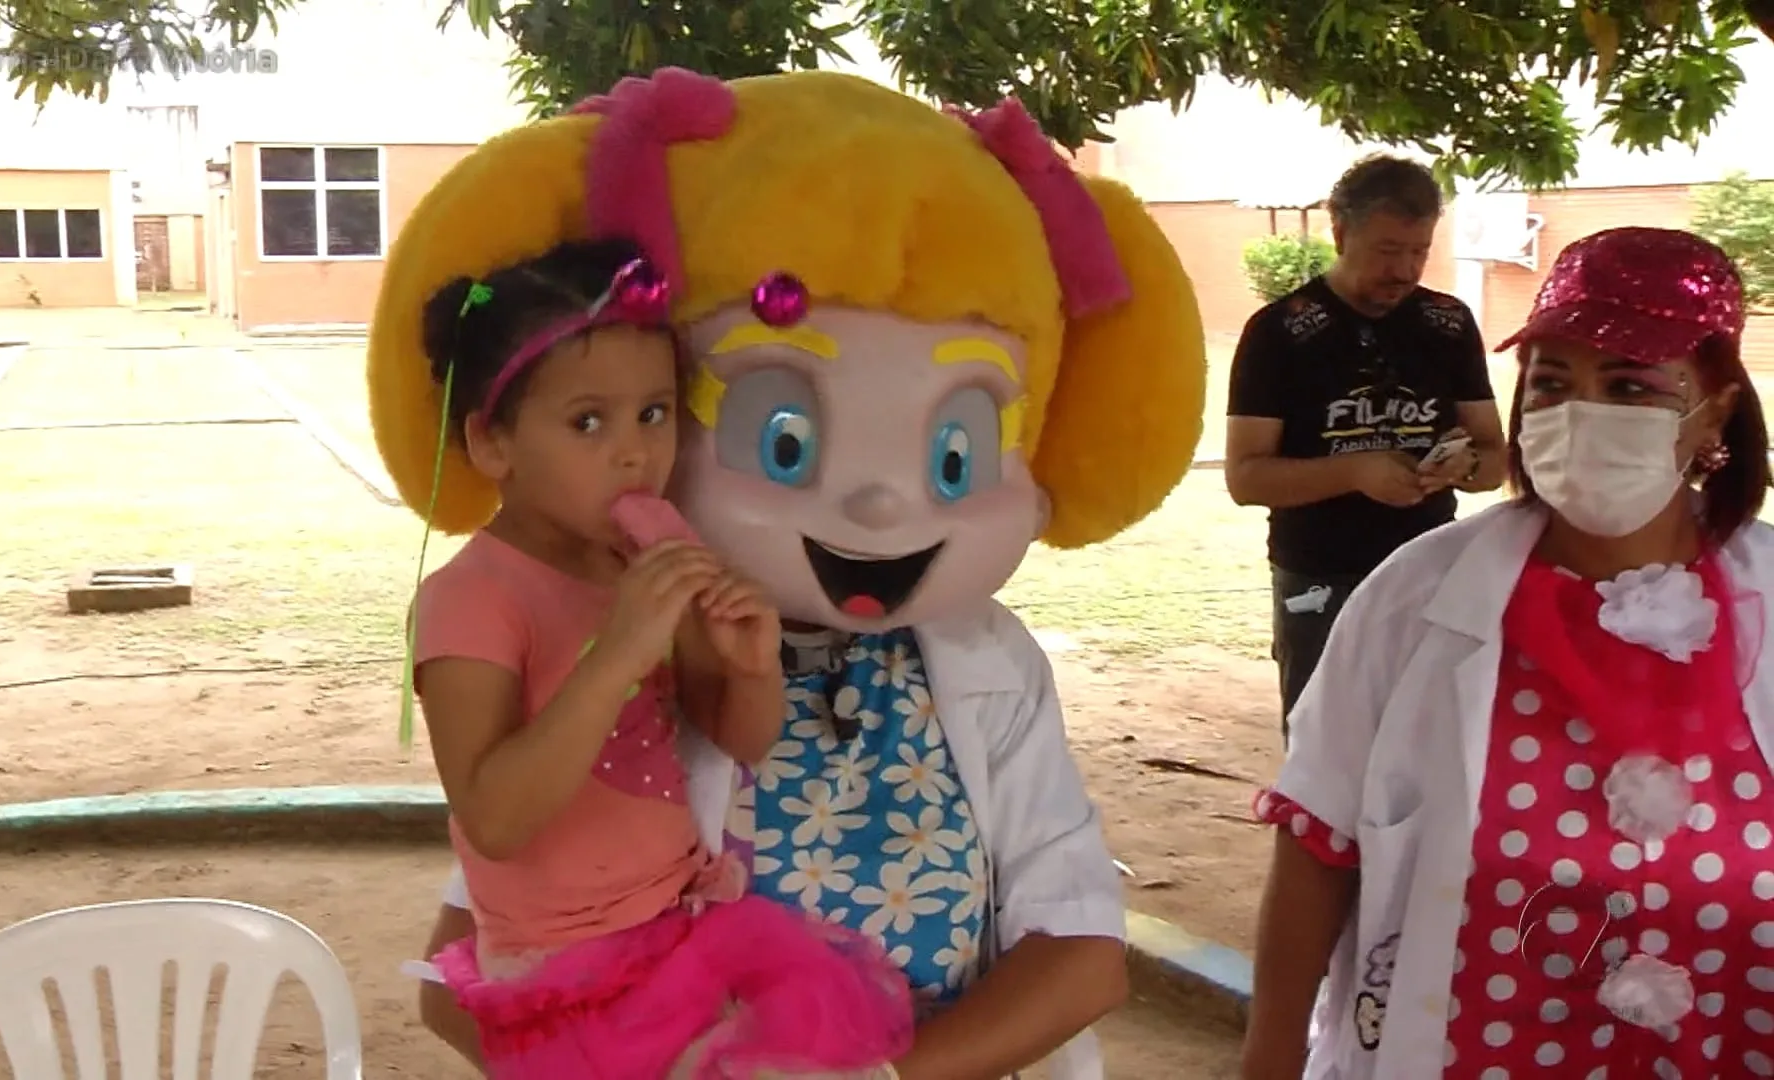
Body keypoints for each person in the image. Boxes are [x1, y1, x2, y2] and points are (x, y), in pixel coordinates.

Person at [367, 67, 1211, 1079]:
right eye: (782, 432)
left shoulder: (988, 665)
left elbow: (1081, 957)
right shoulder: (604, 602)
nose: (878, 506)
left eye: (652, 415)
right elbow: (472, 950)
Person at [1240, 227, 1774, 1079]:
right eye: (1553, 382)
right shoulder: (1413, 600)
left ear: (1713, 408)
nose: (1579, 413)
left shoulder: (1765, 600)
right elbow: (1318, 842)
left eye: (1630, 385)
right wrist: (1268, 1061)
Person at [405, 236, 915, 1076]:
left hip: (687, 932)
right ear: (493, 443)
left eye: (654, 412)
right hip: (564, 975)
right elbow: (494, 820)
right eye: (587, 422)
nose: (635, 452)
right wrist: (618, 651)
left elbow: (739, 737)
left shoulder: (639, 566)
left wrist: (749, 662)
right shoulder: (472, 600)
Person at [1223, 153, 1507, 736]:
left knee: (1428, 745)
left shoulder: (1447, 324)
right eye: (1387, 250)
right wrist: (1355, 472)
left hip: (1429, 571)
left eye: (1419, 250)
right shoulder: (1280, 333)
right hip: (1320, 576)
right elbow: (1245, 478)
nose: (1404, 270)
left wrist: (1463, 465)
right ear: (1341, 231)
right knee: (1321, 747)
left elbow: (1495, 460)